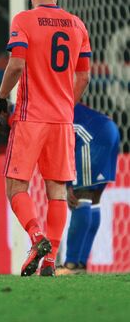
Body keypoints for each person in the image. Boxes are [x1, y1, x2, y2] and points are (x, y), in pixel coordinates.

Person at [0, 0, 91, 277]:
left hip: (30, 116)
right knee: (57, 191)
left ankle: (37, 238)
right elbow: (84, 74)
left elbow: (16, 63)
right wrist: (66, 104)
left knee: (16, 186)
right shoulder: (77, 24)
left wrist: (0, 97)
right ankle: (50, 260)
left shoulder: (24, 20)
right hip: (62, 120)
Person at [57, 103, 120, 275]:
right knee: (93, 201)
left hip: (89, 136)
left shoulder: (41, 114)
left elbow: (60, 146)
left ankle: (70, 265)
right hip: (110, 129)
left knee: (80, 197)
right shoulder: (59, 100)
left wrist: (69, 183)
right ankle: (81, 264)